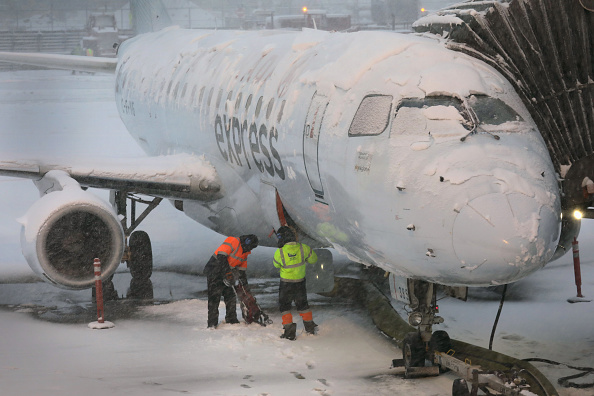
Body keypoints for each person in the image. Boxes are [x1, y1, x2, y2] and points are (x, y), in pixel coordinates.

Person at [273, 226, 318, 340]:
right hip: (300, 283)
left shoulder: (280, 252)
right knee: (303, 305)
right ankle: (310, 328)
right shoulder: (304, 248)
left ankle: (289, 331)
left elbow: (276, 265)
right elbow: (314, 259)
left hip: (285, 284)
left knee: (285, 307)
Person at [204, 234, 259, 328]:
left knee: (230, 297)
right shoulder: (233, 241)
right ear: (247, 242)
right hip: (214, 270)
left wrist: (246, 289)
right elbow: (221, 256)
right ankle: (212, 324)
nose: (250, 250)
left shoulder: (245, 253)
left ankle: (231, 319)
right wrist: (228, 273)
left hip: (225, 273)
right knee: (214, 298)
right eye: (250, 247)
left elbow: (242, 273)